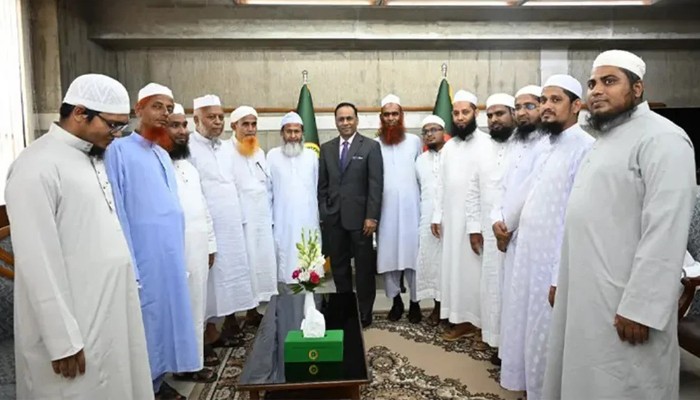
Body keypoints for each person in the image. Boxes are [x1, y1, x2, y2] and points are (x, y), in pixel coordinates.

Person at [544, 50, 696, 400]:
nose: (597, 90)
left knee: (625, 382)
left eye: (609, 81)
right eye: (592, 83)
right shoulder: (606, 139)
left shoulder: (663, 138)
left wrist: (641, 307)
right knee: (586, 378)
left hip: (625, 303)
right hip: (588, 293)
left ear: (637, 88)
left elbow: (667, 230)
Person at [5, 74, 153, 400]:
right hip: (75, 323)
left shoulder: (91, 156)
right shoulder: (36, 166)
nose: (117, 134)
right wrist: (62, 341)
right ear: (80, 113)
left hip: (110, 310)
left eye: (122, 126)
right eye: (112, 125)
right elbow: (37, 262)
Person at [499, 75, 594, 400]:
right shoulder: (544, 145)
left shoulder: (585, 148)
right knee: (527, 325)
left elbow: (575, 217)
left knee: (546, 332)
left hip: (553, 262)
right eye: (543, 100)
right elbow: (524, 193)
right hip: (529, 254)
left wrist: (558, 275)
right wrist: (505, 223)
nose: (546, 107)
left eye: (555, 100)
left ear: (576, 106)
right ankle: (531, 389)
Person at [105, 83, 199, 399]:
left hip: (168, 253)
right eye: (157, 106)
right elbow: (118, 208)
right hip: (143, 255)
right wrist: (129, 260)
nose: (165, 113)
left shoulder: (161, 152)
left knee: (167, 317)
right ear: (138, 110)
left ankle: (159, 377)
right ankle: (148, 385)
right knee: (148, 318)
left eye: (169, 108)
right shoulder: (118, 150)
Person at [188, 95, 256, 353]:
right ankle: (203, 336)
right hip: (206, 226)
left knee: (229, 277)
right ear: (196, 119)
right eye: (211, 117)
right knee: (208, 282)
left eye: (220, 117)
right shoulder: (188, 147)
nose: (217, 122)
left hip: (231, 224)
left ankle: (223, 326)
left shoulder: (226, 148)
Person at [491, 84, 545, 366]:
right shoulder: (512, 144)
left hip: (532, 236)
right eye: (518, 107)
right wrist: (496, 221)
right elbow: (499, 186)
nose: (522, 113)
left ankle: (527, 360)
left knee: (530, 300)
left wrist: (508, 225)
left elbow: (533, 192)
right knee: (510, 296)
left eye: (529, 106)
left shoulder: (548, 144)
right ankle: (510, 351)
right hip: (507, 235)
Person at [431, 90, 492, 341]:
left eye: (465, 112)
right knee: (454, 270)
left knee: (474, 271)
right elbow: (440, 185)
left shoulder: (487, 144)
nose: (459, 117)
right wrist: (437, 215)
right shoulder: (449, 147)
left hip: (475, 221)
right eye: (456, 113)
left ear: (475, 113)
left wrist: (477, 225)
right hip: (451, 220)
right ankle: (460, 318)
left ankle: (480, 322)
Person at [318, 102, 383, 328]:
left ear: (357, 120)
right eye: (341, 119)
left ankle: (364, 311)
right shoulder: (327, 149)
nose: (345, 122)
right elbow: (322, 186)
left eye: (349, 118)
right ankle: (345, 308)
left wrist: (372, 217)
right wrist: (325, 211)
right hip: (334, 219)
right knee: (339, 268)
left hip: (361, 221)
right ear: (335, 122)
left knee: (364, 269)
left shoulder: (371, 147)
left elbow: (376, 185)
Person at [166, 103, 218, 383]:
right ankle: (180, 364)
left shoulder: (188, 166)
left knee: (197, 306)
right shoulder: (156, 165)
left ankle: (193, 360)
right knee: (179, 310)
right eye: (174, 125)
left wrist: (210, 244)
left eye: (183, 125)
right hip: (174, 251)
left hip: (197, 249)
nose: (182, 131)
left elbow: (202, 207)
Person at [375, 94, 423, 323]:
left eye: (395, 114)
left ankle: (415, 302)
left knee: (413, 257)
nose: (391, 118)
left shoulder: (414, 141)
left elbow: (422, 175)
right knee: (389, 257)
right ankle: (396, 301)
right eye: (387, 114)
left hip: (412, 209)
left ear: (401, 116)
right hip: (386, 211)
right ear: (381, 117)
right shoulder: (374, 144)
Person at [230, 105, 278, 309]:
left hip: (261, 220)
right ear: (234, 126)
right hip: (240, 221)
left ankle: (255, 310)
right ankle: (234, 314)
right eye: (245, 124)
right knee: (241, 266)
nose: (250, 129)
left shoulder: (259, 152)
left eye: (254, 124)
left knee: (260, 264)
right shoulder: (225, 152)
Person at [479, 93, 517, 349]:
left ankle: (509, 344)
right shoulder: (484, 148)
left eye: (500, 113)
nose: (494, 119)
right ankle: (494, 338)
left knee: (511, 289)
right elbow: (476, 189)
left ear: (513, 114)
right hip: (490, 228)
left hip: (515, 231)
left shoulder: (525, 146)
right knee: (492, 285)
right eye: (490, 115)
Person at [267, 112, 320, 285]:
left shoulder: (312, 156)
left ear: (302, 133)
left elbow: (316, 185)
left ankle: (309, 299)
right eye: (288, 131)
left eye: (297, 131)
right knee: (285, 265)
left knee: (308, 263)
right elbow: (268, 190)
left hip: (308, 219)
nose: (293, 136)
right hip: (282, 219)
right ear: (282, 133)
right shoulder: (272, 156)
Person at [415, 115, 448, 326]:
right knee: (433, 265)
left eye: (434, 130)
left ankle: (452, 310)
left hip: (451, 218)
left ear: (443, 132)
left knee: (450, 264)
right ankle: (437, 305)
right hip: (427, 218)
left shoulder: (453, 155)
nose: (429, 134)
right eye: (425, 131)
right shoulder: (420, 161)